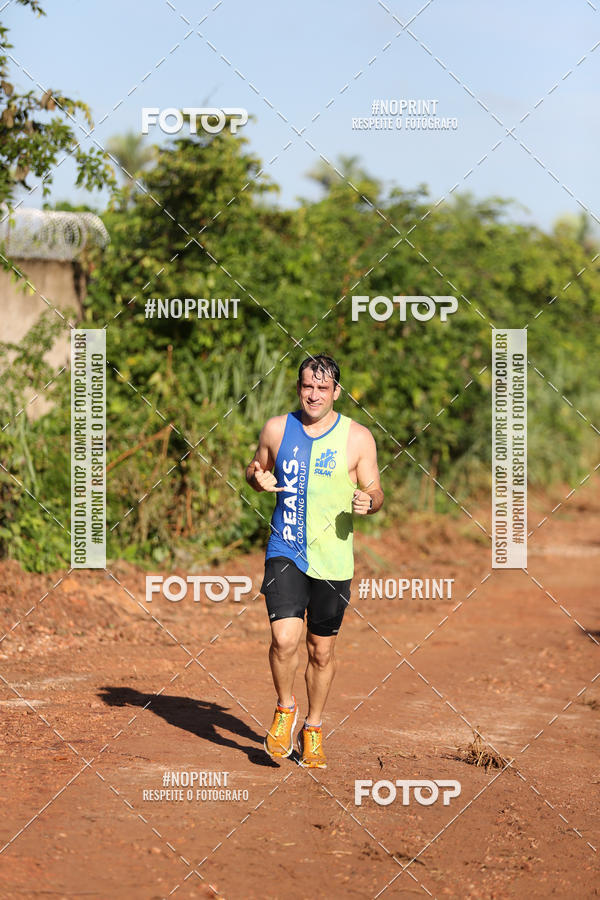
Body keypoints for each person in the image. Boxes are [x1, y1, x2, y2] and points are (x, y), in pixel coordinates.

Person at [245, 354, 384, 768]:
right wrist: (256, 477)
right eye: (308, 386)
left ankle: (314, 729)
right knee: (284, 640)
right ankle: (284, 710)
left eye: (323, 389)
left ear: (337, 392)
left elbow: (376, 492)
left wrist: (369, 501)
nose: (315, 395)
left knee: (320, 652)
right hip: (285, 548)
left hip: (334, 559)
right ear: (299, 387)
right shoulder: (277, 428)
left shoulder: (358, 438)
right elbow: (255, 469)